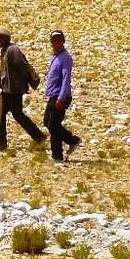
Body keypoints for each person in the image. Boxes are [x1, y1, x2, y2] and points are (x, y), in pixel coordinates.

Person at [0, 28, 44, 149]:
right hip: (7, 90)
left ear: (7, 38)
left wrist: (27, 83)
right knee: (1, 113)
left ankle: (39, 137)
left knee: (17, 115)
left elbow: (23, 67)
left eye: (1, 37)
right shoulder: (6, 50)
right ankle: (1, 141)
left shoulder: (12, 50)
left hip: (14, 90)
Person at [43, 31, 81, 162]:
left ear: (63, 41)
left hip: (60, 96)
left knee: (53, 124)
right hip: (53, 95)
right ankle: (71, 140)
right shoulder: (56, 56)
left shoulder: (65, 58)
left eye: (59, 40)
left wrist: (61, 97)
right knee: (48, 122)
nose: (56, 42)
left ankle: (58, 154)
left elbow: (66, 79)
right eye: (54, 40)